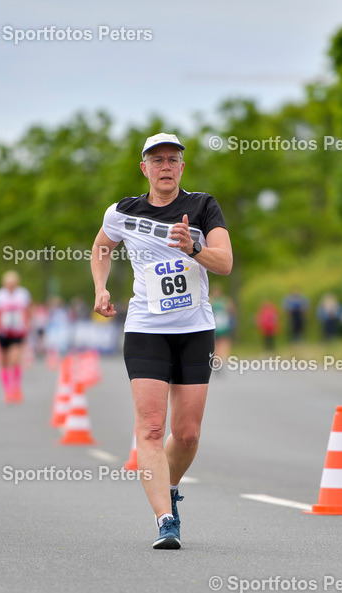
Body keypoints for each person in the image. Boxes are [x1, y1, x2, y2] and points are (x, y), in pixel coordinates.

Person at [91, 132, 233, 550]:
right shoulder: (122, 211)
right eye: (157, 160)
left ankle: (167, 488)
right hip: (145, 329)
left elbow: (224, 263)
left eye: (173, 159)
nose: (166, 166)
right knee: (151, 430)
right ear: (145, 168)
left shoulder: (203, 206)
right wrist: (100, 288)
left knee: (186, 434)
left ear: (182, 167)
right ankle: (165, 520)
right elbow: (102, 246)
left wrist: (193, 249)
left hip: (194, 329)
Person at [0, 271, 32, 403]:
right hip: (3, 332)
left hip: (17, 332)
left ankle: (16, 388)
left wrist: (27, 326)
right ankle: (7, 390)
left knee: (15, 359)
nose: (10, 286)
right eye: (8, 283)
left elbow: (28, 311)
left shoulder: (23, 294)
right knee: (4, 361)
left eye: (13, 283)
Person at [210, 285, 235, 370]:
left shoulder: (211, 301)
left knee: (218, 344)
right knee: (221, 344)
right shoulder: (225, 301)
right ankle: (219, 359)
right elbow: (232, 310)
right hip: (221, 327)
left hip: (218, 327)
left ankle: (218, 360)